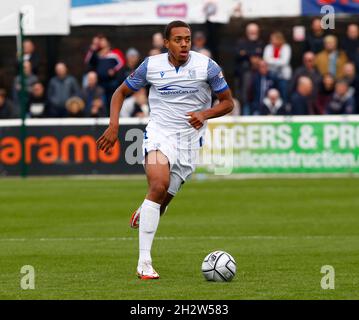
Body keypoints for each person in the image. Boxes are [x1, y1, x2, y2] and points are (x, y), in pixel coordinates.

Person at [96, 20, 234, 280]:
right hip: (160, 134)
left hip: (189, 142)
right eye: (179, 39)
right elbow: (120, 92)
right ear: (166, 43)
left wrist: (205, 113)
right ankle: (144, 263)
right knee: (158, 186)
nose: (184, 44)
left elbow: (228, 103)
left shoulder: (207, 66)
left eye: (188, 39)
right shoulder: (151, 65)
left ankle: (147, 208)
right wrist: (114, 125)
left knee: (161, 201)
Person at [263, 31, 292, 104]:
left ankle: (285, 108)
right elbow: (266, 59)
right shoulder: (268, 47)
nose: (272, 41)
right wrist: (278, 60)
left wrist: (271, 60)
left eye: (273, 39)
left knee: (284, 93)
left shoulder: (286, 47)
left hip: (283, 76)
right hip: (270, 75)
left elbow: (285, 62)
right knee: (269, 92)